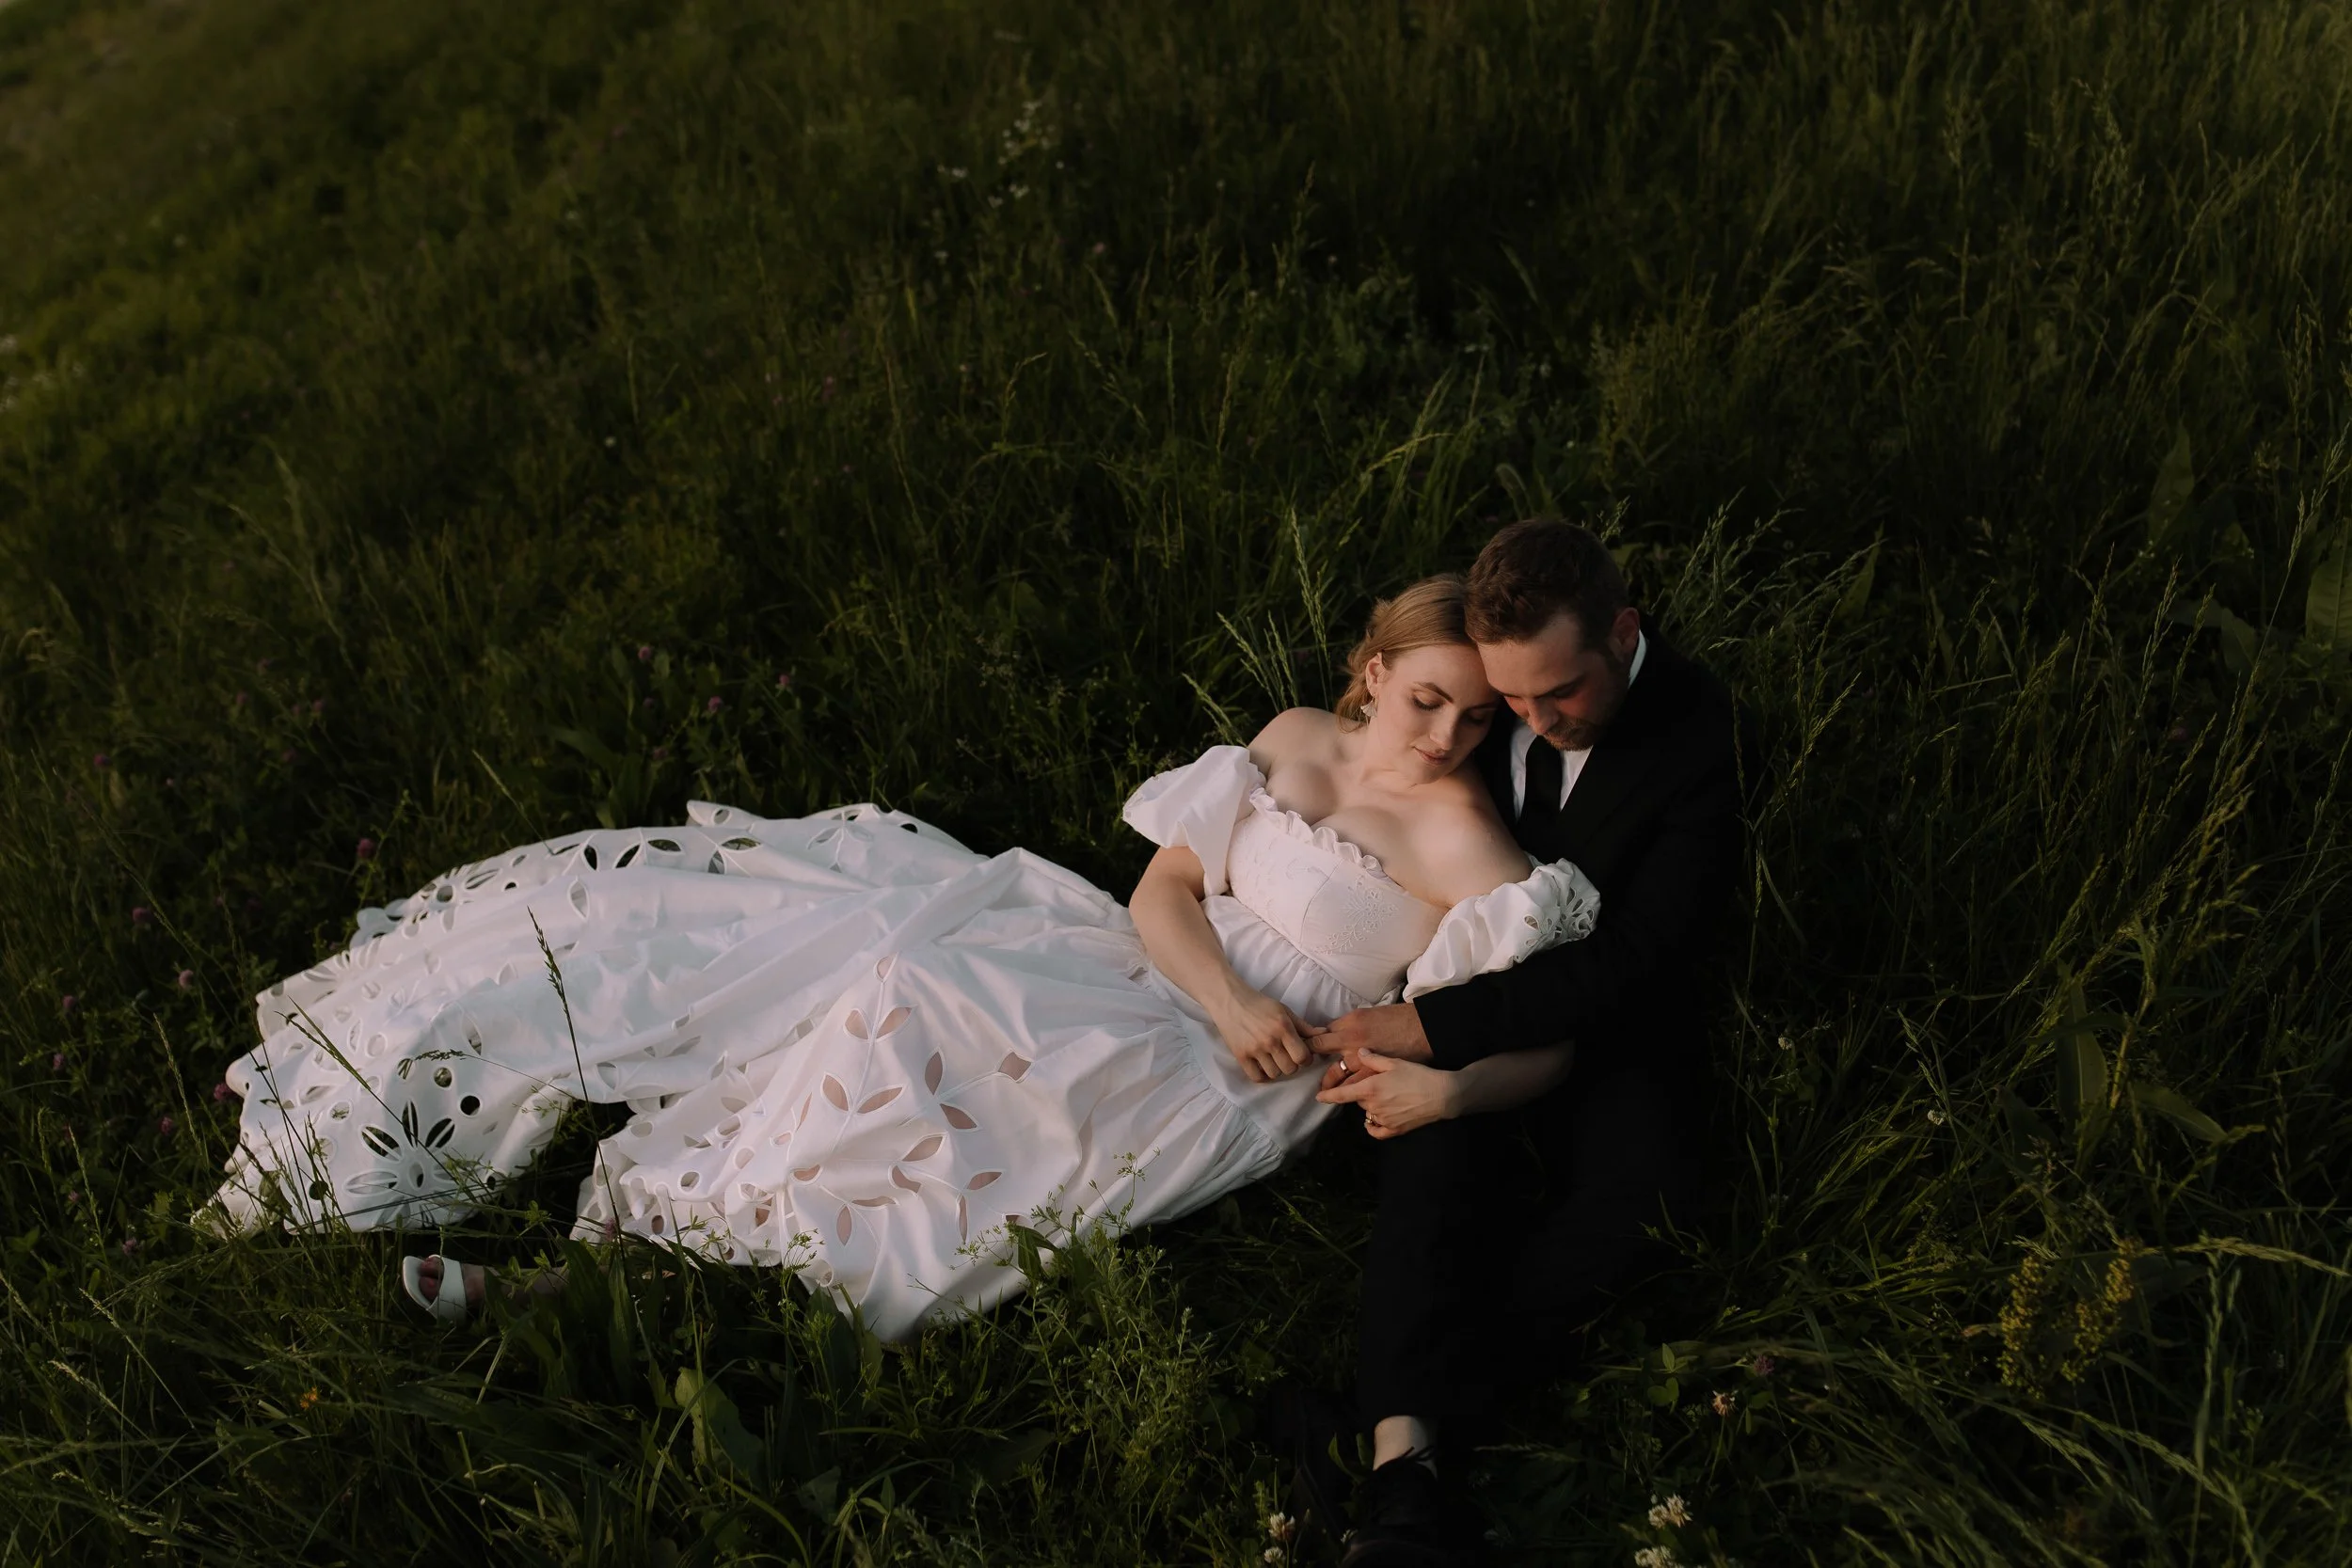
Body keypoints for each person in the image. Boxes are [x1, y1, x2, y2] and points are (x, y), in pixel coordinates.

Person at [202, 576, 1604, 1341]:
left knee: (979, 1136)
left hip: (1249, 1063)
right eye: (1428, 700)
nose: (1444, 738)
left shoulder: (1472, 849)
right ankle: (637, 1239)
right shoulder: (1297, 737)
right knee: (903, 988)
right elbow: (1164, 889)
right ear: (1373, 670)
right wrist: (1223, 984)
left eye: (1480, 722)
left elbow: (1548, 1021)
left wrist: (1447, 1091)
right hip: (1162, 969)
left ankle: (602, 1299)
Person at [1304, 520, 1746, 1566]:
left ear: (1623, 632)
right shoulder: (1488, 701)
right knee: (1428, 1164)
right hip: (1473, 993)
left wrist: (1430, 1026)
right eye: (1514, 701)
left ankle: (1375, 1410)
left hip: (1613, 1032)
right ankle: (1402, 1479)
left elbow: (1634, 958)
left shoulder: (1699, 736)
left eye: (1563, 695)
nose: (1536, 722)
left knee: (1632, 1225)